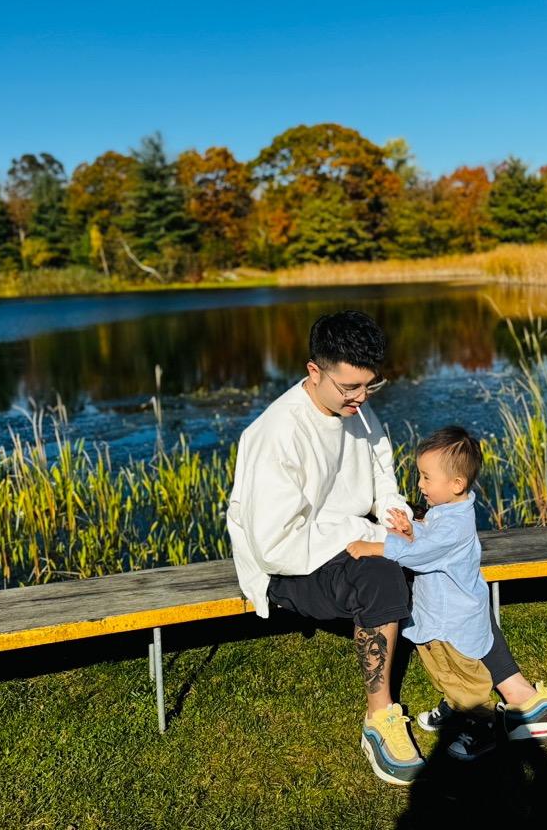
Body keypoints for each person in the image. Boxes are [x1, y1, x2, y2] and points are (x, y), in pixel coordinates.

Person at [227, 310, 427, 786]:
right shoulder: (275, 435)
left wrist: (396, 515)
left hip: (340, 539)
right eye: (350, 389)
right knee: (379, 574)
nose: (361, 399)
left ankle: (485, 690)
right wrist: (362, 537)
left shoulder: (356, 408)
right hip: (286, 566)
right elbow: (274, 545)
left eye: (370, 387)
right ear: (314, 371)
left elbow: (382, 476)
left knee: (431, 548)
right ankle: (379, 720)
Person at [347, 425, 547, 761]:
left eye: (426, 478)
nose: (420, 485)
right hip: (443, 618)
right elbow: (428, 541)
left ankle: (481, 729)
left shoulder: (455, 525)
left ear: (456, 484)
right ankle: (457, 708)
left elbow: (419, 554)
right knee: (446, 672)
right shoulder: (449, 512)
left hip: (455, 623)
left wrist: (374, 546)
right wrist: (411, 529)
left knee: (466, 680)